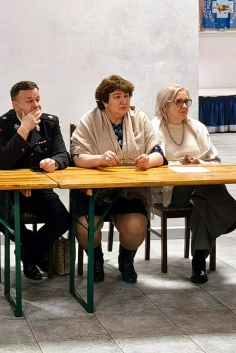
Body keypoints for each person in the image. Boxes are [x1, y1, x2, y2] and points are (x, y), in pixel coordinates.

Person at [151, 84, 236, 283]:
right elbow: (153, 165)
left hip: (198, 188)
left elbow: (215, 161)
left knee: (202, 201)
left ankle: (199, 262)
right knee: (206, 188)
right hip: (170, 189)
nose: (184, 106)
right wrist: (179, 165)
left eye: (187, 101)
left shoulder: (197, 127)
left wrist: (198, 163)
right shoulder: (153, 129)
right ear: (165, 106)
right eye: (178, 102)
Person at [70, 75, 166, 283]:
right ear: (104, 101)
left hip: (129, 191)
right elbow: (76, 156)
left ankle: (126, 261)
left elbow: (159, 153)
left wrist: (148, 160)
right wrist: (99, 159)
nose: (124, 101)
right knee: (86, 227)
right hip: (94, 192)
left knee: (136, 225)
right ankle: (95, 259)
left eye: (127, 96)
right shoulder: (89, 119)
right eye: (117, 96)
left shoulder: (139, 117)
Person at [0, 81, 71, 281]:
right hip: (7, 189)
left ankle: (29, 253)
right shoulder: (0, 124)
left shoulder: (50, 123)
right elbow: (4, 161)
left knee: (63, 219)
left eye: (38, 99)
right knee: (4, 221)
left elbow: (63, 154)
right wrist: (23, 129)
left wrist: (55, 162)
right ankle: (36, 252)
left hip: (37, 187)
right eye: (29, 101)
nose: (36, 105)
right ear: (16, 105)